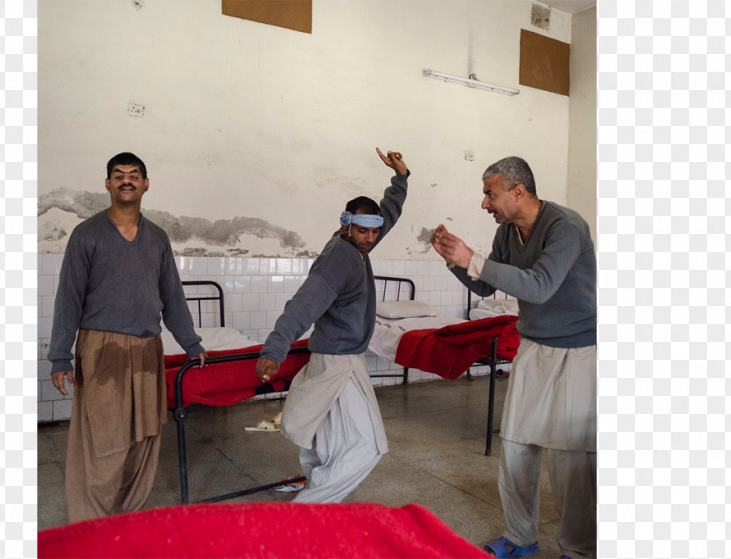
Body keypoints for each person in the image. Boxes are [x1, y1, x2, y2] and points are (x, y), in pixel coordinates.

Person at [431, 156, 596, 559]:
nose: (485, 203)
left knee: (568, 458)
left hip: (580, 351)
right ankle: (520, 538)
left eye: (490, 193)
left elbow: (539, 287)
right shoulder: (507, 233)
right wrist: (457, 261)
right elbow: (488, 286)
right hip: (534, 346)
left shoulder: (565, 227)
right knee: (517, 444)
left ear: (518, 192)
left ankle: (580, 549)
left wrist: (472, 258)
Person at [48, 152, 208, 523]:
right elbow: (68, 297)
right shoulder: (86, 235)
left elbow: (172, 295)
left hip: (147, 348)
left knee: (144, 439)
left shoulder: (157, 238)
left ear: (146, 184)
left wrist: (191, 343)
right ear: (107, 184)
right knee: (104, 443)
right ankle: (91, 526)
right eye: (118, 175)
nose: (126, 180)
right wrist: (60, 356)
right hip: (103, 350)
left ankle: (125, 520)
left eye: (134, 175)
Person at [255, 147, 409, 503]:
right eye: (363, 231)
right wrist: (274, 349)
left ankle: (315, 489)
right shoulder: (339, 260)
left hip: (336, 356)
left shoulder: (356, 243)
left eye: (375, 232)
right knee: (367, 445)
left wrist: (400, 178)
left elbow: (385, 214)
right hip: (340, 362)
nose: (371, 238)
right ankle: (309, 509)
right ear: (346, 225)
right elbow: (302, 306)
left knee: (325, 433)